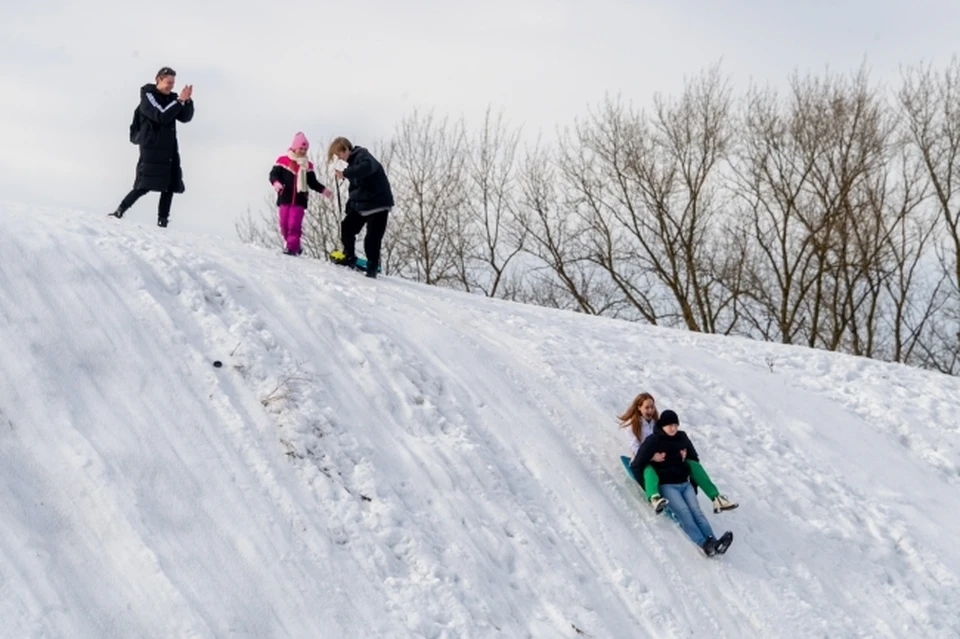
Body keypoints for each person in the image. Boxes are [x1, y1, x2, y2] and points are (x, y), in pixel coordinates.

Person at [631, 410, 734, 556]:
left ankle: (713, 541)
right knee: (685, 513)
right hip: (667, 486)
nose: (673, 428)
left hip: (684, 484)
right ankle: (703, 543)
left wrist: (693, 484)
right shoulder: (653, 441)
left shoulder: (682, 437)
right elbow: (637, 465)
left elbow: (694, 460)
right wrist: (648, 489)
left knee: (697, 512)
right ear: (662, 426)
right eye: (670, 425)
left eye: (675, 425)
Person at [619, 392, 737, 514]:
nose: (650, 410)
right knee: (649, 470)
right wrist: (651, 457)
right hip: (644, 460)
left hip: (664, 459)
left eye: (652, 407)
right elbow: (635, 447)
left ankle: (717, 498)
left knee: (692, 464)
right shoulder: (633, 426)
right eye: (647, 407)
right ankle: (654, 497)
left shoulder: (657, 423)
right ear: (639, 407)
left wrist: (679, 451)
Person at [109, 66, 194, 227]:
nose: (171, 86)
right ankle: (119, 211)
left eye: (173, 83)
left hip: (169, 147)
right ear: (159, 80)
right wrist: (180, 101)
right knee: (144, 184)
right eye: (168, 82)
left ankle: (163, 221)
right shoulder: (148, 97)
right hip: (152, 147)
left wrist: (187, 101)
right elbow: (161, 115)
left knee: (169, 185)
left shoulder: (173, 99)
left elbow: (185, 117)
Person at [326, 137, 393, 278]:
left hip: (379, 204)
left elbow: (367, 168)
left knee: (372, 239)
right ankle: (349, 255)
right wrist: (349, 207)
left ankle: (372, 267)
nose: (340, 158)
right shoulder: (352, 165)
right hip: (364, 204)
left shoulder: (363, 155)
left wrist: (345, 174)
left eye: (339, 154)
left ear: (346, 149)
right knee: (347, 227)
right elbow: (356, 188)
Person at [269, 132, 334, 255]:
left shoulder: (307, 165)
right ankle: (295, 244)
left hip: (299, 200)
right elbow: (274, 174)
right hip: (285, 198)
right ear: (294, 147)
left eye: (305, 149)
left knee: (294, 224)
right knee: (284, 225)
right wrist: (276, 183)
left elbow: (313, 183)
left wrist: (324, 190)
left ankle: (292, 247)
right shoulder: (283, 161)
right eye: (301, 148)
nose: (303, 151)